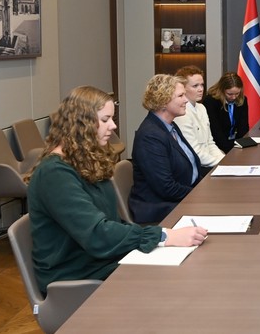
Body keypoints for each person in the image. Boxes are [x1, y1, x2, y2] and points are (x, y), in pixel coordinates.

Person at [26, 86, 207, 294]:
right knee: (176, 284)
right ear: (81, 123)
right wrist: (163, 236)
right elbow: (97, 235)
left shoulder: (84, 161)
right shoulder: (54, 173)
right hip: (76, 276)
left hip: (102, 262)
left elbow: (110, 223)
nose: (113, 126)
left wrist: (158, 237)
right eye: (105, 119)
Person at [130, 74, 205, 223]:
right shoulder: (150, 136)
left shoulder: (170, 126)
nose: (186, 100)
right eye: (181, 96)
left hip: (181, 199)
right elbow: (166, 188)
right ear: (163, 101)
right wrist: (200, 195)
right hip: (159, 208)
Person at [173, 65, 226, 167]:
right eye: (195, 86)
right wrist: (221, 164)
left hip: (209, 163)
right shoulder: (181, 113)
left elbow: (210, 143)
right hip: (195, 166)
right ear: (183, 88)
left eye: (202, 85)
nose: (201, 89)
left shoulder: (201, 108)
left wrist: (224, 160)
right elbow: (194, 151)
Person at [202, 71, 249, 153]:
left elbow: (243, 126)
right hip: (217, 145)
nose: (234, 97)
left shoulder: (242, 100)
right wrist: (230, 150)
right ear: (222, 90)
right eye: (229, 94)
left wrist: (241, 145)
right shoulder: (211, 101)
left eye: (237, 93)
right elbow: (215, 130)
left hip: (235, 144)